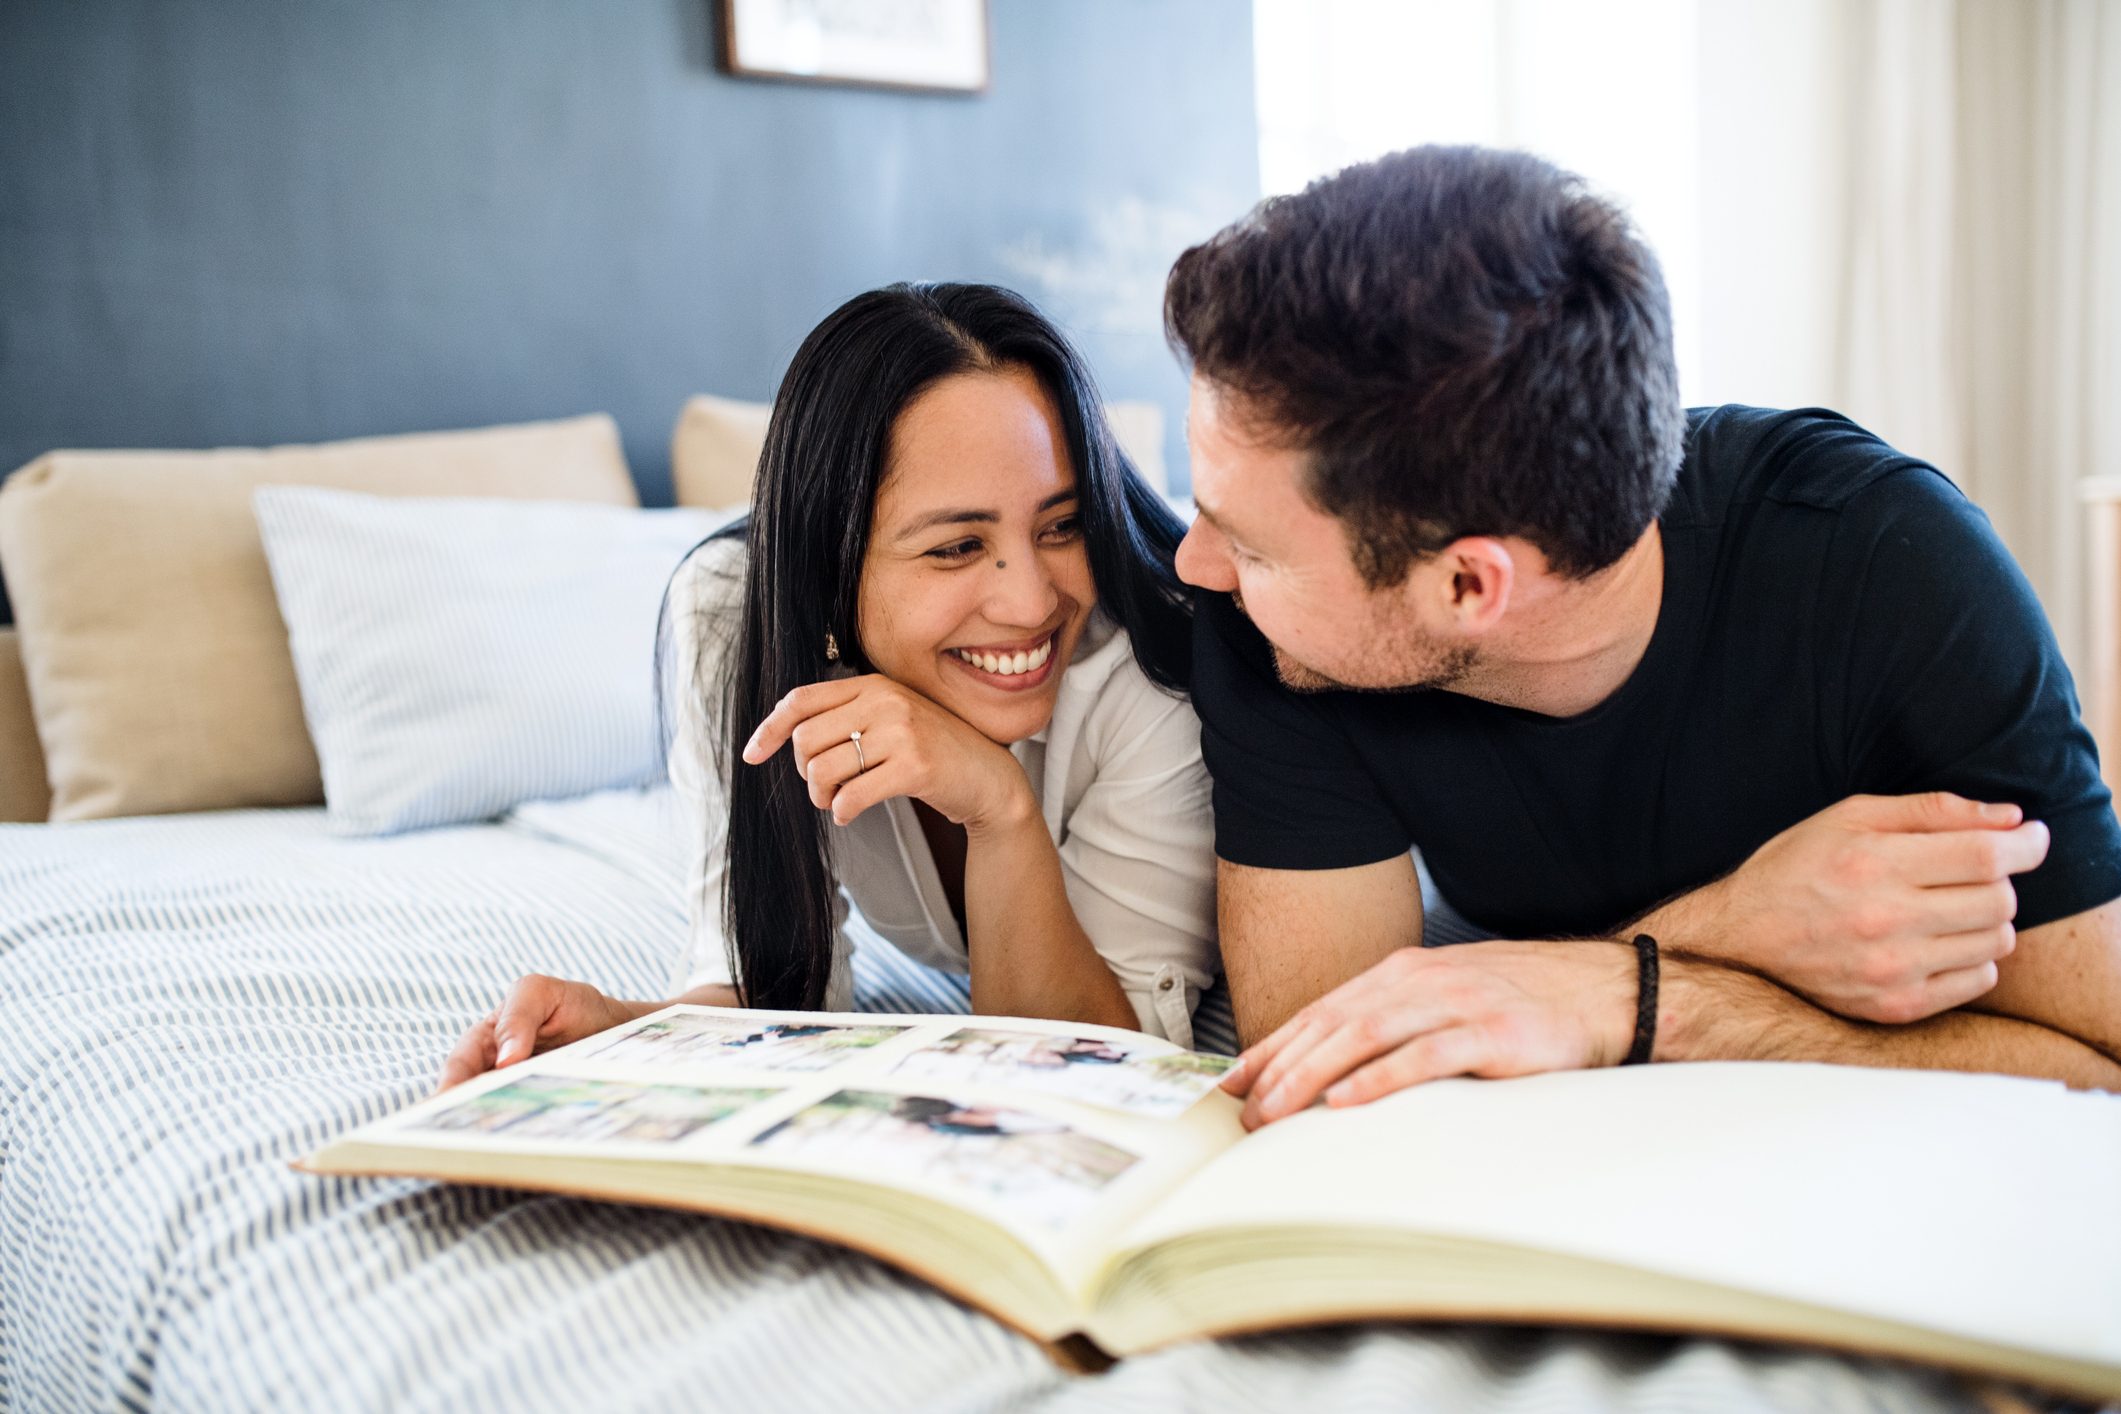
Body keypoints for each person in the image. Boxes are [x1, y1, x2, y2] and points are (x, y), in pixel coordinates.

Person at [1158, 146, 2121, 1128]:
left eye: (1248, 545)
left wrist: (1631, 997)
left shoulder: (1892, 568)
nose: (1194, 565)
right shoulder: (1276, 630)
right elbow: (1331, 1079)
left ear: (1468, 582)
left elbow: (2095, 1069)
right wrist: (1734, 928)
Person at [438, 283, 1219, 1090]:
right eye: (955, 546)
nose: (1030, 602)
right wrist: (619, 1035)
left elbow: (1107, 1070)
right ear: (827, 564)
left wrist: (999, 809)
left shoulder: (1148, 657)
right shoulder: (733, 618)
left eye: (1061, 525)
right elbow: (771, 991)